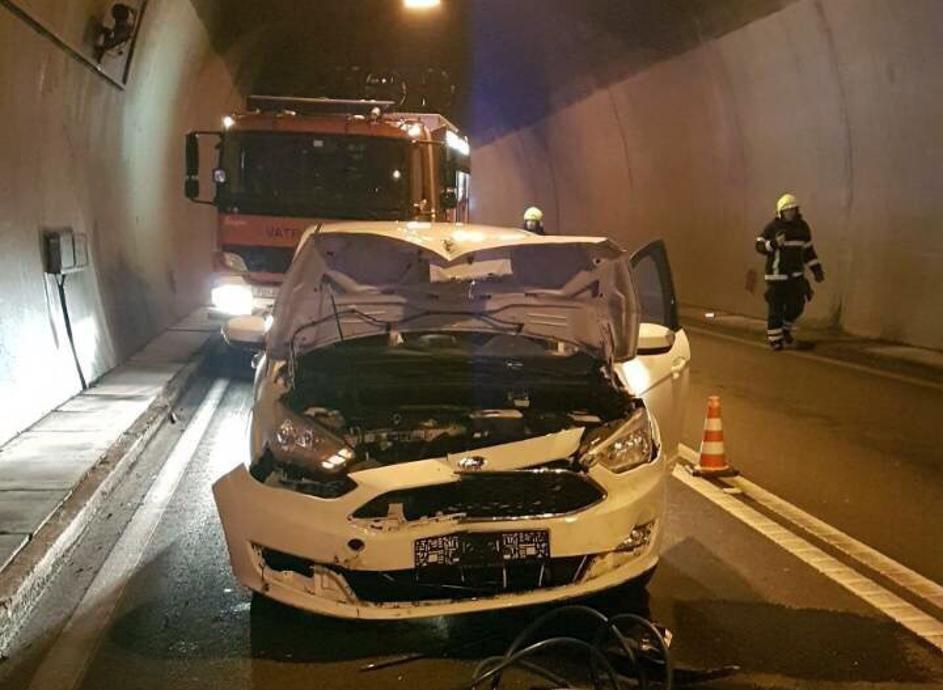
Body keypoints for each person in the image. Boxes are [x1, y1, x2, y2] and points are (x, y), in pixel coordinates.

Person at [755, 193, 824, 350]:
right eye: (787, 210)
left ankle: (785, 330)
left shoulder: (802, 228)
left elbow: (808, 251)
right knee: (776, 309)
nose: (790, 213)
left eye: (793, 210)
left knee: (797, 305)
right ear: (780, 212)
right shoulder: (772, 227)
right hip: (776, 277)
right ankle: (775, 340)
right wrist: (773, 244)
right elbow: (759, 246)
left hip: (795, 277)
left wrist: (817, 269)